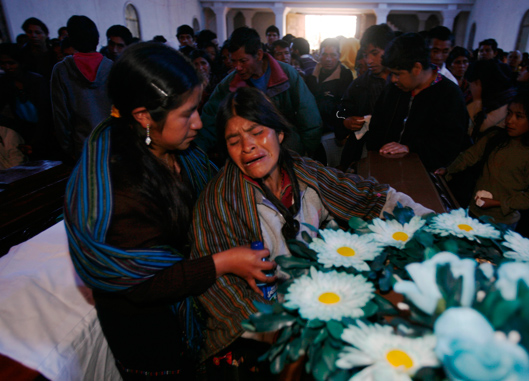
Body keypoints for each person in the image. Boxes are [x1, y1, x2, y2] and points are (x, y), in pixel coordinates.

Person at [64, 42, 276, 379]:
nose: (198, 124)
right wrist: (225, 261)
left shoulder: (172, 150)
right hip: (149, 331)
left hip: (187, 301)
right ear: (144, 116)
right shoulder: (119, 185)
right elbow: (146, 282)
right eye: (186, 114)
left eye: (197, 109)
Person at [191, 86, 433, 370]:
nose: (248, 147)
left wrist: (438, 224)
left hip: (315, 303)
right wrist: (296, 334)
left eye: (257, 132)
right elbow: (226, 299)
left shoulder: (303, 171)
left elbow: (372, 197)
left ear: (279, 134)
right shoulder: (220, 203)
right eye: (234, 140)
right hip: (263, 334)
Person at [435, 86, 529, 228]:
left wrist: (498, 203)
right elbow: (469, 156)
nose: (510, 120)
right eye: (509, 113)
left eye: (519, 116)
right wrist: (448, 170)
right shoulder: (495, 138)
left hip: (502, 223)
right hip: (474, 212)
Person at [198, 27, 322, 159]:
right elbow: (209, 122)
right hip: (249, 154)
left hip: (288, 151)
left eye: (243, 61)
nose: (237, 67)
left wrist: (307, 153)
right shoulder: (228, 85)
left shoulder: (286, 74)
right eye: (233, 61)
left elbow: (309, 116)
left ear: (259, 55)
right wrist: (195, 156)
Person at [366, 33, 470, 172]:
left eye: (398, 74)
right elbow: (377, 126)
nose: (393, 80)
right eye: (392, 74)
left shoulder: (449, 94)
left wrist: (410, 148)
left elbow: (449, 143)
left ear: (417, 68)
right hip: (385, 168)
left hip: (422, 174)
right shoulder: (394, 89)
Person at [51, 15, 113, 162]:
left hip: (83, 147)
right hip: (114, 144)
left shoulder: (62, 70)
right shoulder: (112, 67)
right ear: (97, 38)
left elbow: (60, 115)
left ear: (71, 40)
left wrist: (67, 147)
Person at [336, 23, 394, 171]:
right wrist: (346, 122)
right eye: (365, 55)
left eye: (375, 53)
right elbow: (340, 112)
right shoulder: (359, 84)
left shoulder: (402, 82)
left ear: (389, 50)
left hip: (394, 153)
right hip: (363, 154)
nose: (369, 61)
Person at [306, 37, 353, 133]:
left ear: (339, 55)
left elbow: (343, 106)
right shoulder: (311, 74)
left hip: (333, 129)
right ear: (319, 55)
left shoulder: (345, 75)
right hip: (312, 127)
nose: (328, 59)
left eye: (333, 55)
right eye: (324, 54)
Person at [466, 59, 515, 140]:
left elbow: (481, 127)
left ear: (477, 82)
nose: (470, 88)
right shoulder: (499, 96)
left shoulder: (505, 101)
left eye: (470, 84)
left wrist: (477, 99)